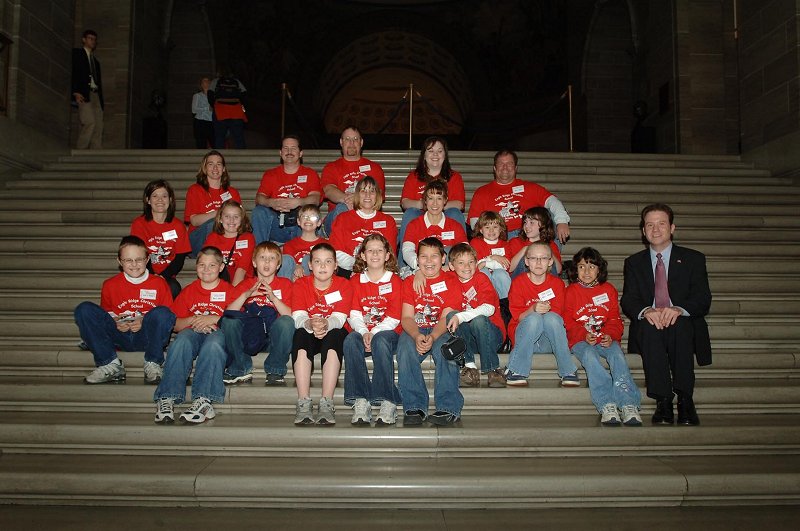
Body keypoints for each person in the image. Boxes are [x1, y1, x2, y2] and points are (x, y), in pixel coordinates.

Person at [621, 203, 711, 426]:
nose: (655, 229)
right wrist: (646, 311)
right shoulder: (634, 262)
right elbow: (629, 299)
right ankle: (663, 401)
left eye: (661, 224)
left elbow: (702, 298)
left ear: (672, 228)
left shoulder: (694, 259)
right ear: (643, 231)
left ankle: (685, 399)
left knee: (681, 326)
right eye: (649, 225)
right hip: (650, 322)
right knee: (650, 327)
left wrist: (678, 309)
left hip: (682, 320)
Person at [74, 236, 175, 384]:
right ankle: (109, 364)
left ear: (147, 260)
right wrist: (116, 321)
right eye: (128, 260)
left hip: (146, 337)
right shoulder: (110, 284)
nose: (134, 264)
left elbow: (168, 317)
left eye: (139, 259)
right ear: (120, 262)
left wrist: (143, 321)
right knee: (84, 309)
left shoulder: (159, 283)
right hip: (118, 336)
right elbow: (107, 314)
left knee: (163, 312)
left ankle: (153, 362)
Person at [154, 246, 236, 424]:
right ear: (196, 266)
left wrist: (213, 319)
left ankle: (204, 400)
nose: (206, 269)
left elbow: (236, 321)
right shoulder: (189, 291)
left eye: (212, 265)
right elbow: (175, 324)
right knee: (181, 340)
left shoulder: (230, 291)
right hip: (193, 331)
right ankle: (167, 396)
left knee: (213, 343)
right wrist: (194, 320)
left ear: (221, 267)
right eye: (202, 265)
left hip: (218, 334)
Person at [565, 247, 642, 426]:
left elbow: (614, 318)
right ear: (575, 269)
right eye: (582, 267)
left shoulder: (608, 290)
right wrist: (583, 335)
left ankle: (628, 403)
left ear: (599, 270)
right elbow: (567, 321)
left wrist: (610, 335)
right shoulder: (571, 291)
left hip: (605, 337)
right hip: (580, 340)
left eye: (591, 267)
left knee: (616, 354)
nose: (586, 271)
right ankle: (607, 404)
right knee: (590, 355)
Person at [396, 237, 463, 426]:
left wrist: (432, 336)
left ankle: (449, 407)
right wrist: (417, 335)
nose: (429, 261)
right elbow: (407, 317)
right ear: (417, 260)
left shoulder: (452, 281)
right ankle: (414, 406)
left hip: (443, 328)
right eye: (423, 257)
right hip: (416, 327)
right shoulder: (410, 282)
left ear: (443, 258)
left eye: (434, 256)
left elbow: (446, 317)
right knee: (405, 348)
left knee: (445, 349)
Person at [290, 243, 353, 426]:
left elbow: (339, 318)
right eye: (317, 261)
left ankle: (327, 402)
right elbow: (298, 316)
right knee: (300, 334)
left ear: (336, 265)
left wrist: (325, 323)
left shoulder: (344, 284)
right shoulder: (301, 284)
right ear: (310, 265)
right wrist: (310, 323)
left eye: (328, 262)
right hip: (310, 329)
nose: (323, 266)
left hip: (332, 330)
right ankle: (303, 402)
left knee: (336, 334)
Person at [344, 234, 403, 426]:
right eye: (370, 250)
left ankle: (388, 400)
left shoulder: (395, 281)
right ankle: (361, 400)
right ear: (362, 255)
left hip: (389, 333)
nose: (375, 254)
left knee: (381, 340)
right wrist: (363, 332)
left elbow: (395, 316)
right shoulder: (355, 281)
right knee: (350, 340)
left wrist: (374, 332)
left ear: (387, 255)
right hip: (362, 330)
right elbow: (353, 313)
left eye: (380, 250)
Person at [503, 241, 580, 387]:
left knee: (551, 317)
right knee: (534, 318)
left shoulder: (557, 284)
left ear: (550, 261)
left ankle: (568, 370)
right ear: (526, 261)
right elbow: (518, 317)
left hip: (547, 341)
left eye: (543, 258)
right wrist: (533, 309)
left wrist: (543, 310)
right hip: (524, 338)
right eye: (533, 258)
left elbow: (557, 318)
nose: (538, 262)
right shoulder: (518, 282)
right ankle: (517, 370)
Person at [220, 242, 294, 386]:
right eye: (262, 257)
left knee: (286, 322)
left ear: (278, 265)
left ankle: (275, 370)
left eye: (272, 258)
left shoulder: (286, 284)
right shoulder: (245, 285)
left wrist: (274, 298)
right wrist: (245, 296)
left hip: (273, 338)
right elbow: (228, 313)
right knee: (229, 321)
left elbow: (292, 316)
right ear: (254, 263)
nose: (267, 262)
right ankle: (240, 367)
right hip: (250, 337)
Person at [468, 149, 570, 241]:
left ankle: (552, 254)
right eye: (501, 164)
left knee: (553, 215)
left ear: (516, 168)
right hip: (500, 237)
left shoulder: (530, 187)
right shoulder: (482, 192)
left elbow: (552, 201)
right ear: (494, 168)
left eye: (509, 163)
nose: (505, 167)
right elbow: (475, 223)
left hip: (529, 234)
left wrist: (562, 221)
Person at [445, 243, 506, 388]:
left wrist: (461, 317)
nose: (467, 266)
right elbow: (430, 272)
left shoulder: (481, 278)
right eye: (461, 263)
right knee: (451, 314)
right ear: (452, 266)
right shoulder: (449, 278)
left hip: (491, 336)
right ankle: (470, 367)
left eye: (471, 262)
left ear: (476, 263)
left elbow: (489, 308)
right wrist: (419, 274)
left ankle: (493, 369)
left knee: (477, 320)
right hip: (469, 341)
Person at [251, 135, 322, 245]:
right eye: (285, 148)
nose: (289, 152)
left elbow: (316, 199)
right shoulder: (270, 175)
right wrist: (271, 202)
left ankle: (308, 248)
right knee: (259, 211)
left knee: (308, 214)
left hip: (300, 224)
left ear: (301, 153)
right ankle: (260, 250)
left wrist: (298, 202)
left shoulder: (310, 174)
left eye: (293, 148)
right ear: (280, 153)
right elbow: (259, 198)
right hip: (278, 224)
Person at [398, 136, 466, 247]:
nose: (435, 154)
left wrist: (437, 206)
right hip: (421, 215)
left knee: (455, 213)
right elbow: (405, 202)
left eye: (439, 151)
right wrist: (424, 204)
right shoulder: (413, 176)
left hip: (445, 214)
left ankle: (462, 252)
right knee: (410, 213)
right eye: (431, 151)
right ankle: (403, 256)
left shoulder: (454, 177)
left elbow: (459, 204)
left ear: (445, 155)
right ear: (424, 155)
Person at [130, 179, 190, 298]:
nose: (160, 200)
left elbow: (179, 258)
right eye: (155, 196)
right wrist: (152, 276)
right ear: (148, 200)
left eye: (164, 196)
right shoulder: (139, 224)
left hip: (167, 276)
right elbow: (137, 254)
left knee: (173, 288)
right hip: (142, 274)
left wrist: (162, 276)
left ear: (170, 199)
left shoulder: (178, 226)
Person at [321, 126, 385, 236]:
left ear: (361, 142)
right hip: (337, 218)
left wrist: (356, 200)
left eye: (355, 139)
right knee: (342, 208)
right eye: (347, 139)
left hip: (367, 216)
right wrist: (348, 201)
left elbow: (378, 194)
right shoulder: (331, 167)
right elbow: (329, 190)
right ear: (341, 142)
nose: (351, 143)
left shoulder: (374, 168)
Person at [328, 177, 397, 278]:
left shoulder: (388, 221)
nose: (367, 195)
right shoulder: (342, 218)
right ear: (357, 195)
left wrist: (372, 270)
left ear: (377, 195)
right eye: (363, 191)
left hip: (379, 273)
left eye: (372, 191)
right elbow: (335, 252)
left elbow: (390, 254)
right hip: (348, 272)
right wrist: (360, 267)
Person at [400, 180, 468, 273]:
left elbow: (465, 252)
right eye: (431, 198)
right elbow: (407, 251)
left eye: (439, 198)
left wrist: (449, 267)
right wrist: (422, 266)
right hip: (420, 270)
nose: (435, 203)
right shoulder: (414, 225)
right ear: (425, 200)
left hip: (448, 271)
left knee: (449, 250)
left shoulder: (455, 226)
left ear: (445, 200)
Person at [184, 150, 242, 256]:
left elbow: (239, 219)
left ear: (223, 169)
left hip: (227, 237)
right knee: (213, 224)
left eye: (218, 164)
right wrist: (219, 212)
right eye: (210, 164)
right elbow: (194, 221)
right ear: (205, 168)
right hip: (198, 239)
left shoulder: (232, 192)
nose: (215, 168)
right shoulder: (195, 190)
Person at [202, 200, 255, 286]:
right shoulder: (212, 238)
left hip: (242, 284)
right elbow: (208, 267)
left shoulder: (248, 238)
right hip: (218, 284)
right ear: (220, 219)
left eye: (236, 217)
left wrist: (231, 293)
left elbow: (241, 270)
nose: (231, 220)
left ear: (242, 219)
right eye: (227, 216)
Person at [71, 29, 104, 149]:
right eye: (90, 38)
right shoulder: (77, 54)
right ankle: (81, 150)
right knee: (89, 121)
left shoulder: (96, 62)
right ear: (84, 39)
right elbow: (72, 72)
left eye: (94, 39)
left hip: (95, 94)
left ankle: (95, 152)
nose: (93, 41)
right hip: (83, 92)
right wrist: (75, 91)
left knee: (99, 125)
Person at [508, 207, 562, 278]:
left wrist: (547, 251)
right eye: (525, 222)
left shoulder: (551, 244)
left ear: (543, 225)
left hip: (544, 281)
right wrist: (525, 249)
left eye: (531, 222)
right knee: (529, 257)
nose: (526, 226)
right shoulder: (515, 242)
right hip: (521, 281)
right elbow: (509, 269)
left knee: (546, 257)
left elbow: (558, 270)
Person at [282, 204, 326, 280]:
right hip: (292, 280)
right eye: (304, 216)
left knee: (308, 258)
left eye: (313, 217)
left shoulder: (325, 245)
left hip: (314, 280)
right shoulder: (289, 245)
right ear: (298, 221)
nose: (308, 219)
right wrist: (296, 266)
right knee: (285, 259)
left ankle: (306, 285)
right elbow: (287, 266)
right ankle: (286, 286)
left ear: (319, 222)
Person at [207, 70, 247, 149]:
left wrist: (214, 105)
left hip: (220, 110)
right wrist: (240, 103)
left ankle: (219, 154)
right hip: (236, 111)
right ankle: (241, 154)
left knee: (219, 136)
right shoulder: (236, 81)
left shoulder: (216, 81)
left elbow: (210, 94)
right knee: (238, 136)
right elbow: (244, 93)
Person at [191, 77, 213, 149]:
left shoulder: (213, 96)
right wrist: (206, 108)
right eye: (204, 81)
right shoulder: (197, 95)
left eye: (208, 81)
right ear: (201, 84)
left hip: (211, 122)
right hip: (200, 122)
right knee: (201, 144)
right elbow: (194, 110)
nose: (207, 82)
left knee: (215, 143)